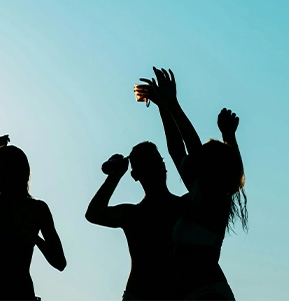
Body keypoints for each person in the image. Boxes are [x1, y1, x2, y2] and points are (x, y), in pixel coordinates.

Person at [138, 67, 247, 300]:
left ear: (208, 168)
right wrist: (163, 107)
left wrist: (172, 104)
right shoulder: (205, 196)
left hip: (208, 294)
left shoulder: (211, 199)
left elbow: (189, 147)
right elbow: (177, 148)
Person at [0, 145, 66, 300]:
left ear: (10, 172)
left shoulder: (36, 209)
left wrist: (33, 237)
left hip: (12, 293)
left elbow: (60, 262)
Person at [85, 142, 183, 300]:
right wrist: (114, 176)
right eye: (149, 165)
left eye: (158, 162)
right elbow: (93, 214)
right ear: (136, 175)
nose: (156, 168)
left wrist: (115, 175)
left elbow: (94, 214)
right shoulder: (134, 214)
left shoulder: (180, 207)